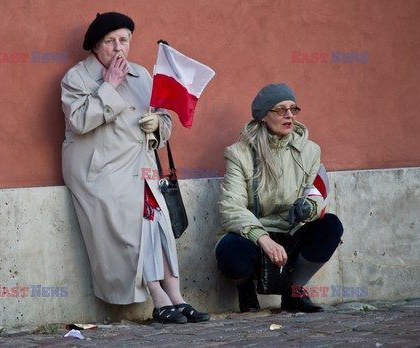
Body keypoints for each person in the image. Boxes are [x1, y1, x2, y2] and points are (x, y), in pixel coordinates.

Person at [61, 12, 209, 324]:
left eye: (124, 40)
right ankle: (158, 299)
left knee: (158, 228)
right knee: (133, 232)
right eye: (110, 41)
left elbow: (165, 120)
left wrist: (158, 124)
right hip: (99, 173)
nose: (118, 48)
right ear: (96, 47)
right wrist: (110, 86)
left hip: (142, 170)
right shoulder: (77, 78)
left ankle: (176, 297)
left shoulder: (143, 75)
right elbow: (78, 122)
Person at [215, 83, 343, 313]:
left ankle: (294, 292)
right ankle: (244, 288)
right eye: (280, 109)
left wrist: (308, 208)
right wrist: (263, 238)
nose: (289, 115)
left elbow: (314, 194)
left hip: (290, 234)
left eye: (293, 109)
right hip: (253, 236)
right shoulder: (239, 153)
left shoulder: (309, 150)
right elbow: (231, 207)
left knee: (331, 226)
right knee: (230, 251)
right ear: (264, 116)